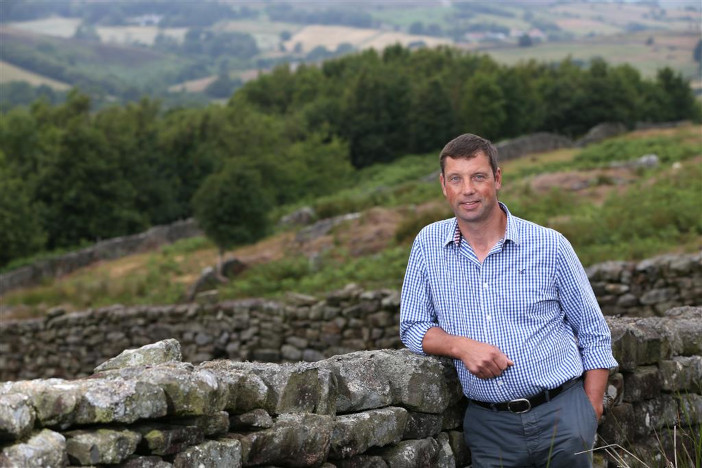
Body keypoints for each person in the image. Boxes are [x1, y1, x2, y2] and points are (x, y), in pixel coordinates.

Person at [399, 133, 618, 467]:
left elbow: (593, 331)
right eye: (456, 179)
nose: (467, 189)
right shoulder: (428, 246)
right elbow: (412, 326)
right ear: (444, 185)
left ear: (497, 179)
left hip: (562, 416)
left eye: (478, 176)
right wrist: (460, 347)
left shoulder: (549, 245)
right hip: (490, 428)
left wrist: (590, 409)